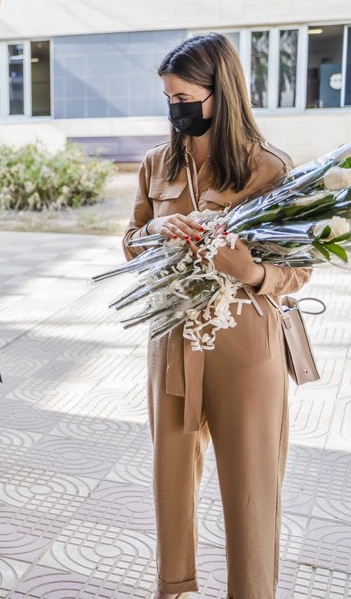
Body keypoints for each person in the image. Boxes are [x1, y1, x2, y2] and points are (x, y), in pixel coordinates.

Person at [124, 33, 311, 599]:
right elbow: (130, 242)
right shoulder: (158, 163)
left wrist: (248, 269)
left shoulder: (269, 169)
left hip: (243, 347)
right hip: (172, 343)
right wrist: (152, 233)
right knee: (172, 483)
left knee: (251, 489)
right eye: (167, 98)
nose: (174, 110)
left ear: (219, 93)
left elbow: (298, 268)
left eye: (183, 97)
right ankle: (174, 588)